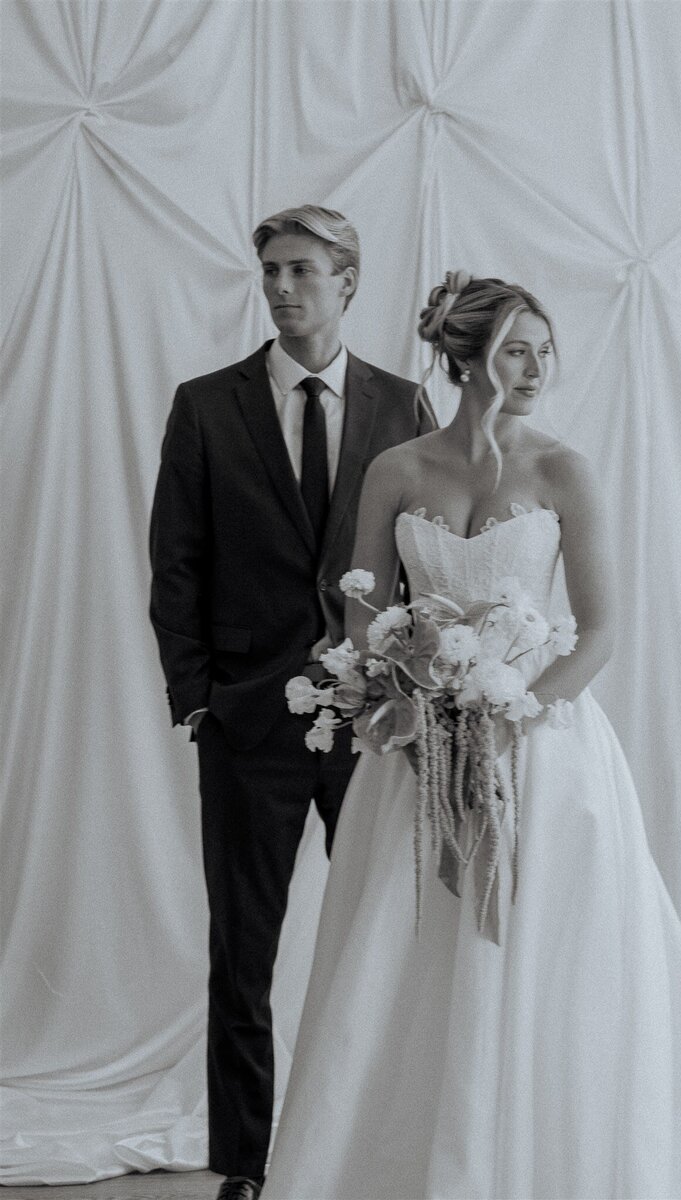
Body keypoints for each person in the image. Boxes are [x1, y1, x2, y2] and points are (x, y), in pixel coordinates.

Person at [262, 273, 681, 1199]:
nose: (539, 368)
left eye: (546, 351)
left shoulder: (563, 470)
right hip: (419, 746)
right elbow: (361, 614)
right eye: (518, 350)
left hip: (542, 750)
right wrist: (412, 692)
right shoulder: (397, 470)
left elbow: (601, 630)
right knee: (403, 953)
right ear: (466, 359)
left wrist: (510, 713)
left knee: (543, 958)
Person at [149, 205, 434, 1200]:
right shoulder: (205, 405)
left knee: (391, 943)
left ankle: (382, 1145)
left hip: (374, 723)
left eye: (301, 270)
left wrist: (412, 692)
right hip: (248, 722)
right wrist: (198, 700)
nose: (280, 287)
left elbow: (422, 564)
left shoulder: (403, 405)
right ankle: (243, 1164)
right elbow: (175, 563)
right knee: (244, 953)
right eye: (270, 269)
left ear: (347, 281)